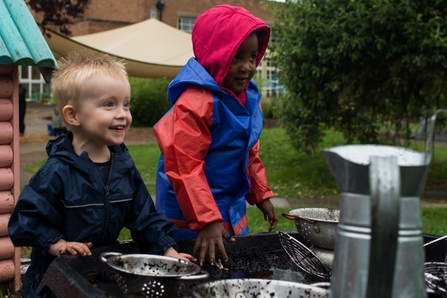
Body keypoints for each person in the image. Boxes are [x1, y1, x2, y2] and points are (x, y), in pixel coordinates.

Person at [8, 50, 195, 298]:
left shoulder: (123, 167)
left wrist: (167, 251)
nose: (122, 113)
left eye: (126, 104)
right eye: (109, 104)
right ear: (73, 115)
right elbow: (25, 220)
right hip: (54, 279)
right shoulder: (57, 171)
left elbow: (145, 217)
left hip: (99, 273)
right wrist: (57, 244)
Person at [154, 4, 278, 267]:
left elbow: (249, 151)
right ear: (215, 55)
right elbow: (184, 164)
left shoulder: (247, 98)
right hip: (189, 214)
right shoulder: (195, 103)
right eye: (236, 57)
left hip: (229, 208)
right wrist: (206, 220)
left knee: (231, 268)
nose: (247, 67)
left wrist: (261, 193)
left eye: (253, 56)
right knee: (194, 272)